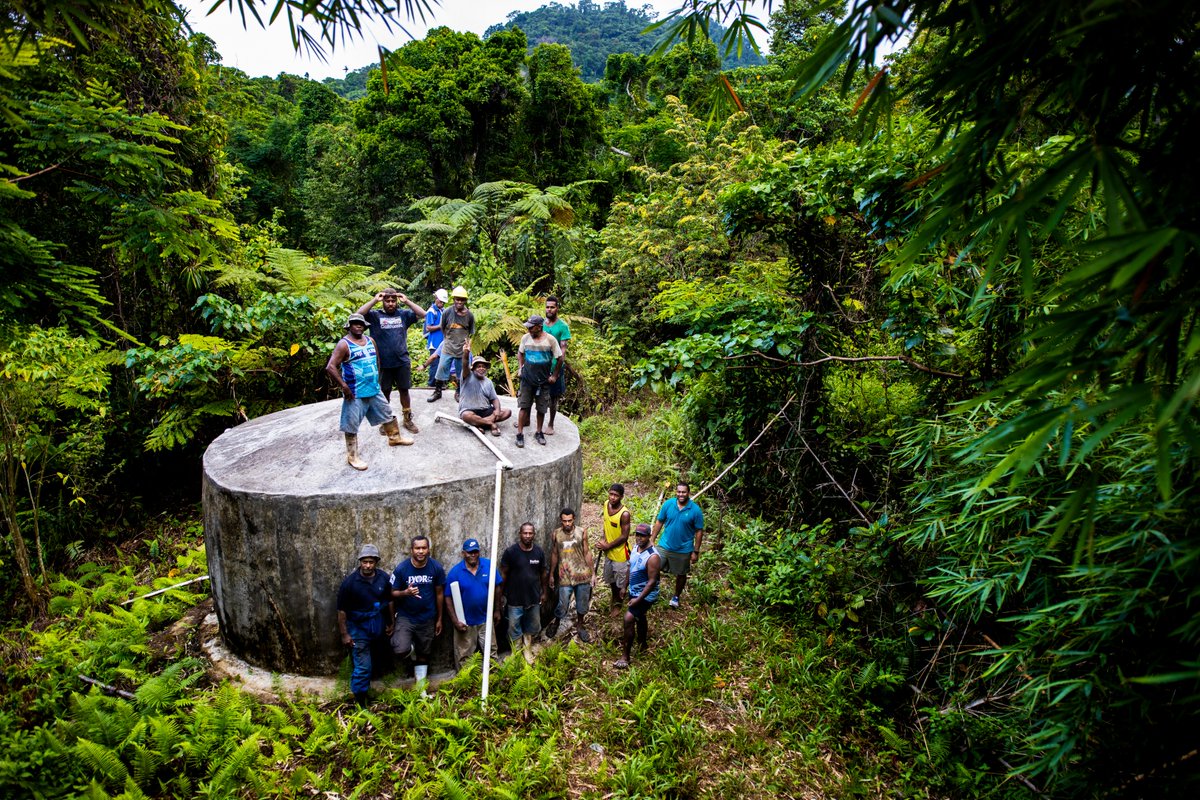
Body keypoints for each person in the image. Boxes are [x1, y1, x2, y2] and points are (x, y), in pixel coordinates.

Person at [326, 313, 409, 470]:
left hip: (373, 388)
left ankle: (394, 437)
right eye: (355, 323)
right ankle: (352, 456)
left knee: (387, 412)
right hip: (355, 391)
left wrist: (376, 378)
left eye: (361, 323)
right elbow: (330, 366)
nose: (358, 326)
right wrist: (344, 386)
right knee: (351, 423)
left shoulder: (370, 341)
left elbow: (377, 360)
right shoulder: (344, 344)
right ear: (349, 326)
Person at [357, 288, 426, 436]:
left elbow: (423, 314)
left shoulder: (403, 315)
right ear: (383, 302)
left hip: (402, 360)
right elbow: (358, 314)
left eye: (392, 300)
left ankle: (407, 419)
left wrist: (406, 300)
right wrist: (375, 299)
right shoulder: (375, 316)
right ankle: (386, 421)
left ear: (396, 301)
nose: (390, 303)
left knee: (404, 390)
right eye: (387, 301)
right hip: (383, 363)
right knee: (384, 392)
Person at [337, 544, 394, 706]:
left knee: (374, 659)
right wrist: (345, 634)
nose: (368, 565)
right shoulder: (349, 584)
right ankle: (360, 703)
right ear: (360, 562)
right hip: (358, 628)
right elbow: (341, 611)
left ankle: (366, 691)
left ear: (376, 562)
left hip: (377, 625)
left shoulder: (383, 578)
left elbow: (389, 600)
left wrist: (391, 622)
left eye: (371, 562)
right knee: (363, 666)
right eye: (364, 562)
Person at [389, 534, 445, 693]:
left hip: (427, 618)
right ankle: (410, 650)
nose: (421, 551)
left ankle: (421, 689)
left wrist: (439, 619)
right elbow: (392, 594)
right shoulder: (402, 569)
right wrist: (405, 592)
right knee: (400, 649)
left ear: (428, 550)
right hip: (406, 617)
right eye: (417, 548)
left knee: (424, 654)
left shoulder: (436, 568)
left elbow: (440, 593)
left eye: (424, 548)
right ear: (411, 550)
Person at [444, 538, 502, 670]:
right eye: (470, 552)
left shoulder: (488, 566)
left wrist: (497, 610)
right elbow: (447, 597)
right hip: (465, 622)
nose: (473, 555)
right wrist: (455, 621)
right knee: (464, 657)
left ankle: (494, 682)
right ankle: (466, 686)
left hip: (485, 619)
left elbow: (497, 586)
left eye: (475, 552)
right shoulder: (455, 572)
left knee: (491, 652)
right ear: (463, 553)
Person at [499, 522, 548, 663]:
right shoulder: (511, 552)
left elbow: (543, 573)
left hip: (533, 598)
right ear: (520, 534)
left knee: (530, 627)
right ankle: (516, 653)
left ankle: (527, 651)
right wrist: (500, 596)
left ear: (534, 534)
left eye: (530, 533)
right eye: (524, 533)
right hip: (514, 600)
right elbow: (503, 574)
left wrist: (544, 592)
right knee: (514, 629)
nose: (527, 536)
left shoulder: (538, 552)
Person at [651, 482, 705, 608]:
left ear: (688, 493)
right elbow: (659, 521)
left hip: (683, 549)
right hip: (664, 545)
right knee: (653, 566)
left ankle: (676, 596)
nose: (681, 494)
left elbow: (699, 531)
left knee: (681, 574)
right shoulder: (668, 504)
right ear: (676, 492)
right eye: (679, 492)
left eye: (683, 492)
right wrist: (652, 539)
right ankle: (653, 590)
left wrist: (695, 551)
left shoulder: (695, 510)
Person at [615, 523, 661, 669]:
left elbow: (652, 582)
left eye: (643, 535)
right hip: (634, 590)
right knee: (640, 616)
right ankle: (643, 643)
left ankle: (625, 657)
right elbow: (631, 567)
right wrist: (624, 586)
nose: (639, 538)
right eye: (637, 535)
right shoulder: (635, 548)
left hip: (646, 595)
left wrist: (638, 600)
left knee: (628, 618)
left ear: (649, 536)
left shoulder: (653, 556)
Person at [546, 507, 594, 642]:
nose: (567, 524)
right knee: (563, 603)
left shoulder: (582, 532)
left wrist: (593, 574)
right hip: (564, 576)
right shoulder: (556, 534)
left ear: (574, 519)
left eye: (570, 521)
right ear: (561, 521)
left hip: (582, 574)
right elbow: (555, 553)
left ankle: (580, 625)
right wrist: (551, 574)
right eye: (564, 521)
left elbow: (587, 552)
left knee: (582, 602)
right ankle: (556, 622)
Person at [514, 314, 562, 448]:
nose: (528, 329)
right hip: (527, 379)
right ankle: (519, 433)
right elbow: (520, 353)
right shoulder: (526, 338)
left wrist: (554, 376)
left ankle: (539, 432)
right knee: (524, 406)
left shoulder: (551, 340)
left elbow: (560, 358)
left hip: (543, 380)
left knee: (541, 408)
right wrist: (521, 368)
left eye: (531, 327)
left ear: (539, 327)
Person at [430, 285, 474, 403]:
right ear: (453, 299)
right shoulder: (447, 312)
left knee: (461, 372)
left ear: (465, 300)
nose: (459, 301)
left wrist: (465, 346)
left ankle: (459, 392)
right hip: (448, 346)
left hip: (461, 349)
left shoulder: (469, 316)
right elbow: (442, 327)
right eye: (457, 299)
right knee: (441, 368)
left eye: (461, 299)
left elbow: (471, 332)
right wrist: (448, 339)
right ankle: (437, 391)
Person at [458, 355, 512, 436]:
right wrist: (466, 352)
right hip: (470, 410)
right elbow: (465, 364)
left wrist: (497, 410)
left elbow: (494, 399)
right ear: (473, 368)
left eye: (483, 366)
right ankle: (491, 424)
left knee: (507, 412)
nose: (481, 368)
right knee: (466, 416)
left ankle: (479, 424)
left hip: (486, 411)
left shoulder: (488, 382)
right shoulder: (467, 376)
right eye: (478, 366)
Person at [597, 483, 631, 609]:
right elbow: (606, 524)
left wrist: (608, 546)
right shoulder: (606, 504)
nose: (612, 497)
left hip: (620, 554)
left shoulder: (624, 514)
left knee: (620, 582)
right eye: (611, 494)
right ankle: (614, 596)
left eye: (616, 495)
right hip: (609, 551)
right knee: (610, 578)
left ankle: (618, 603)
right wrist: (603, 540)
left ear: (621, 497)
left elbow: (624, 536)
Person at [542, 296, 571, 436]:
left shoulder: (563, 326)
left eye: (552, 307)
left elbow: (563, 349)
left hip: (555, 366)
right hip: (540, 365)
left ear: (557, 308)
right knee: (531, 392)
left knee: (553, 397)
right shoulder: (540, 324)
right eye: (547, 307)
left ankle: (551, 424)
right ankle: (527, 419)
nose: (549, 309)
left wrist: (556, 372)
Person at [424, 288, 448, 388]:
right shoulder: (431, 311)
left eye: (443, 302)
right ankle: (431, 385)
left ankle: (440, 384)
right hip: (434, 343)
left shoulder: (442, 310)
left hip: (442, 342)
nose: (442, 303)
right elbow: (428, 327)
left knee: (442, 364)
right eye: (440, 301)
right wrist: (441, 325)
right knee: (434, 365)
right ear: (436, 299)